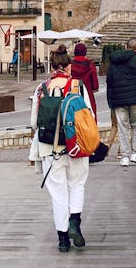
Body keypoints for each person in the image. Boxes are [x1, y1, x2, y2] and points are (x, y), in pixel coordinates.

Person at [30, 44, 92, 252]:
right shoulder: (77, 86)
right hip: (75, 147)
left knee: (58, 194)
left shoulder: (42, 88)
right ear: (69, 67)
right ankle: (75, 221)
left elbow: (33, 122)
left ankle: (63, 238)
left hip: (50, 148)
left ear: (52, 67)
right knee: (77, 185)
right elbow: (88, 116)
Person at [106, 38, 136, 167]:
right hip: (135, 99)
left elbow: (109, 80)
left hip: (119, 99)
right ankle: (135, 153)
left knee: (122, 128)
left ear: (125, 46)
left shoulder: (114, 61)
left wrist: (111, 100)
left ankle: (124, 157)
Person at [70, 42, 99, 117]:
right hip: (88, 95)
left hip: (73, 95)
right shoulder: (90, 65)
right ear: (85, 52)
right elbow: (95, 85)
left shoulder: (70, 66)